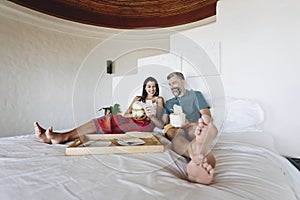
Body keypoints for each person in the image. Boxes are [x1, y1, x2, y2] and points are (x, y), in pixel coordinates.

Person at [34, 77, 165, 144]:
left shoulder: (159, 99)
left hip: (145, 126)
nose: (151, 89)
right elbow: (126, 114)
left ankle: (63, 136)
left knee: (107, 122)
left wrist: (150, 116)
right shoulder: (137, 98)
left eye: (154, 87)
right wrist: (138, 114)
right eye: (149, 86)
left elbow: (159, 124)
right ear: (145, 87)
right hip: (131, 120)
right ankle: (60, 135)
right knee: (105, 120)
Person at [162, 72, 218, 185]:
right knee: (175, 135)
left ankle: (197, 151)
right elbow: (163, 122)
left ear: (182, 82)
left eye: (174, 82)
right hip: (175, 127)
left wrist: (191, 123)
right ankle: (198, 152)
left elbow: (206, 115)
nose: (172, 86)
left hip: (193, 125)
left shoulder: (196, 95)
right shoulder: (169, 103)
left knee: (195, 132)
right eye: (170, 84)